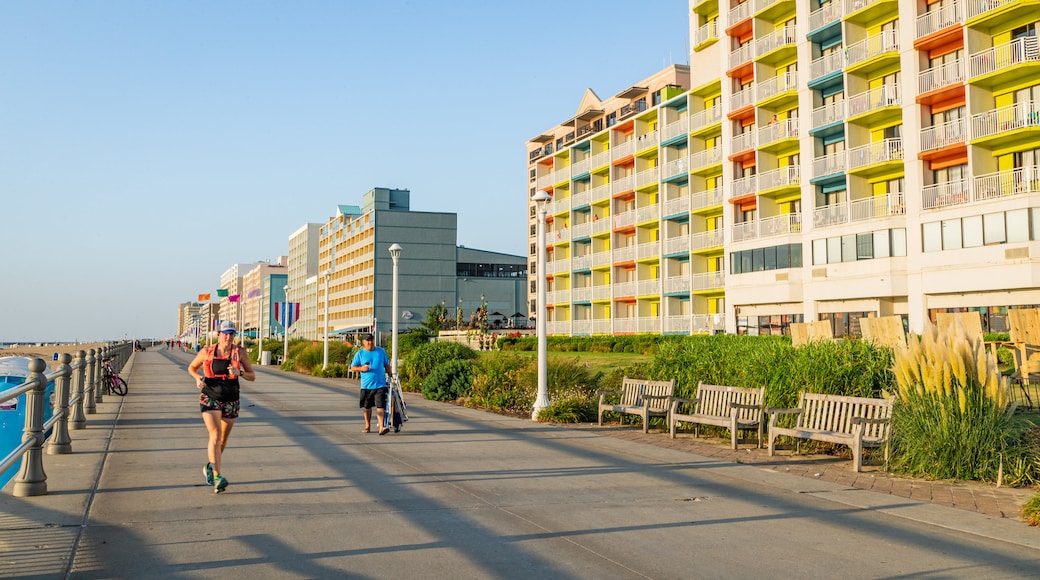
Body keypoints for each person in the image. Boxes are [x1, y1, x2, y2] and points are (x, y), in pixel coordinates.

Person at [187, 321, 255, 493]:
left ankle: (210, 467)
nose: (228, 337)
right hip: (210, 396)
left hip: (231, 399)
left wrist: (239, 373)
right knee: (215, 435)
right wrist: (197, 378)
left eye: (232, 334)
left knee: (222, 440)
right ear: (218, 334)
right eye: (225, 333)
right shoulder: (206, 352)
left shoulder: (239, 353)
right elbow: (192, 368)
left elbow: (252, 376)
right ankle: (217, 477)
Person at [349, 333, 393, 435]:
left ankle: (381, 427)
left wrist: (391, 375)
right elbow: (353, 367)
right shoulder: (360, 354)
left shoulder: (380, 351)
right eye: (367, 340)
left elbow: (387, 365)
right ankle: (367, 426)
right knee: (367, 407)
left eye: (371, 340)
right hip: (366, 386)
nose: (370, 342)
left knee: (380, 405)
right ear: (363, 342)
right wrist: (361, 368)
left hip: (380, 384)